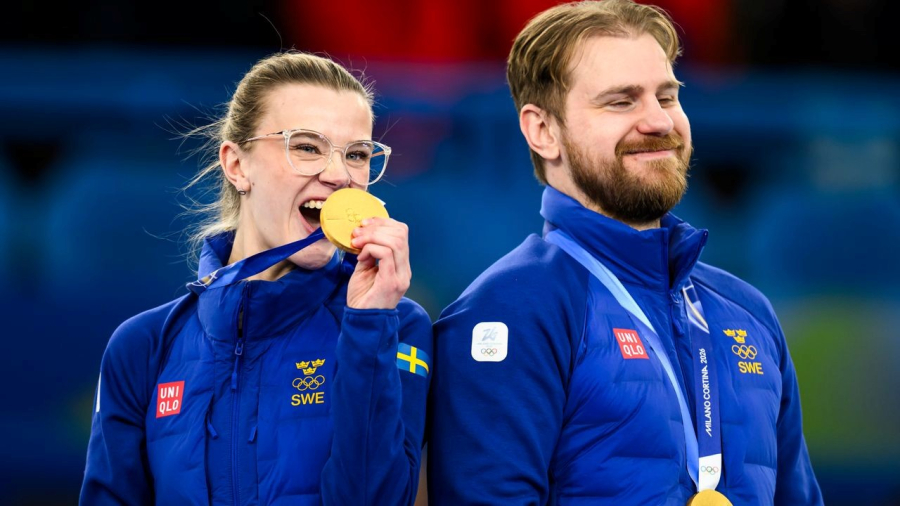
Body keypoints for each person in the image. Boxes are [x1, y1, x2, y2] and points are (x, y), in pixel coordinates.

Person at [427, 1, 822, 505]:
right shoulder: (513, 310)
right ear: (543, 131)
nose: (658, 121)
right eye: (621, 102)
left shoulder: (748, 311)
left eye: (667, 96)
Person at [80, 52, 431, 505]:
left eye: (357, 154)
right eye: (307, 147)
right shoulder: (144, 347)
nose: (339, 175)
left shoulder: (396, 326)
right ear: (236, 165)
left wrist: (369, 326)